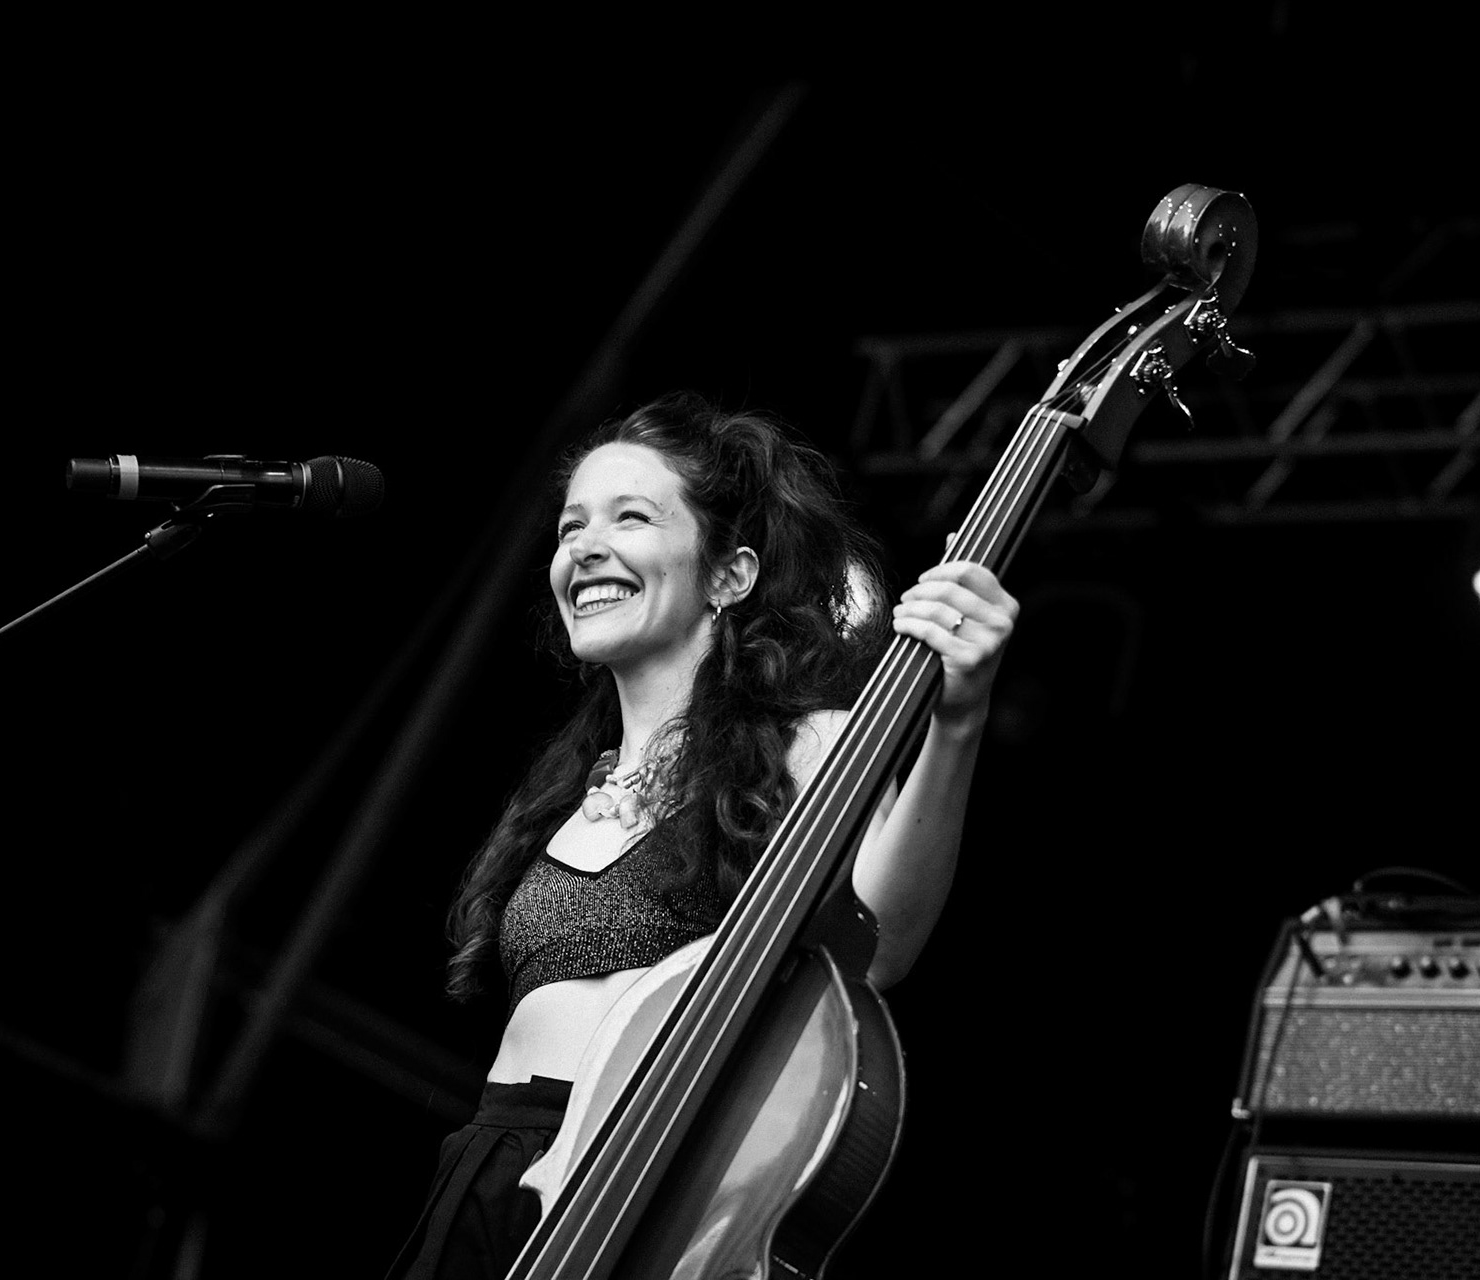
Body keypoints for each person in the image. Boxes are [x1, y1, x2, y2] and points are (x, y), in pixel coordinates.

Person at [384, 391, 1017, 1278]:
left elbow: (880, 943)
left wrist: (958, 721)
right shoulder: (570, 787)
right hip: (491, 1181)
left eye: (630, 517)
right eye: (571, 528)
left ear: (729, 575)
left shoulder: (812, 745)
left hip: (649, 1191)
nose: (584, 547)